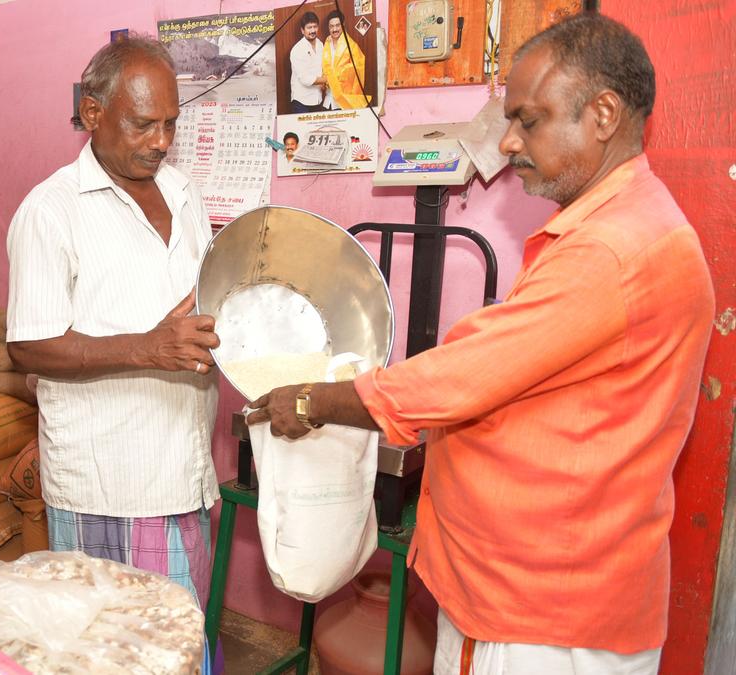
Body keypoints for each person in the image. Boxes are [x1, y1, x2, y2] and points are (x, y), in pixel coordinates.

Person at [248, 13, 713, 675]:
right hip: (539, 589)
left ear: (604, 114)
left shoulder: (613, 251)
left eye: (529, 119)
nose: (511, 141)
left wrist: (311, 400)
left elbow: (461, 377)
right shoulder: (620, 225)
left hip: (542, 614)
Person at [5, 36, 221, 612]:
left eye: (171, 124)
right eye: (144, 124)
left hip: (186, 468)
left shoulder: (183, 192)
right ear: (93, 112)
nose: (162, 142)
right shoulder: (51, 210)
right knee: (116, 642)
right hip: (111, 483)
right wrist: (148, 348)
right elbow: (29, 346)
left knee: (181, 633)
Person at [321, 10, 370, 109]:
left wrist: (336, 76)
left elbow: (358, 71)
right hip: (328, 100)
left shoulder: (352, 45)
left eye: (337, 25)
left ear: (343, 25)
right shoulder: (326, 43)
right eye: (331, 26)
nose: (334, 29)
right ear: (328, 27)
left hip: (345, 101)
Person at [288, 11, 327, 113]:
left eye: (315, 27)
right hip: (301, 102)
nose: (313, 30)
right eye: (309, 27)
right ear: (302, 30)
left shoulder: (320, 44)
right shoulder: (297, 49)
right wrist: (326, 80)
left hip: (317, 99)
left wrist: (323, 82)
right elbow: (305, 78)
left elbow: (322, 67)